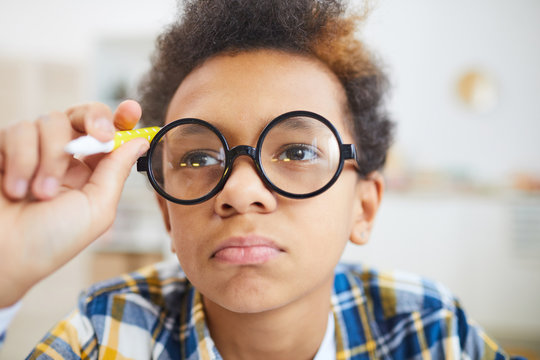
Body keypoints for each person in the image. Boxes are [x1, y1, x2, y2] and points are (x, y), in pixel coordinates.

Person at [0, 0, 520, 359]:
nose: (241, 191)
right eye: (199, 159)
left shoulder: (426, 330)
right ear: (166, 211)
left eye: (297, 150)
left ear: (363, 206)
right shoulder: (107, 331)